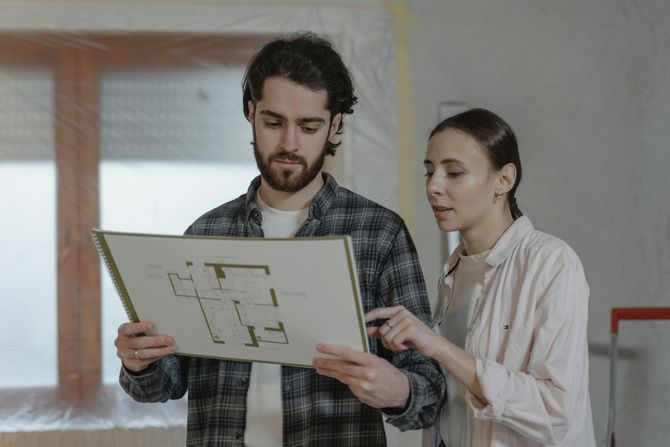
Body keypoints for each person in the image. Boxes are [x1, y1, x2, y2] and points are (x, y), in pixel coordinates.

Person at [114, 32, 445, 446]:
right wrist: (139, 362)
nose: (289, 144)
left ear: (335, 125)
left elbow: (430, 393)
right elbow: (163, 386)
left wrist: (397, 388)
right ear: (251, 113)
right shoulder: (206, 233)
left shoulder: (380, 233)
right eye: (273, 123)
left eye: (309, 127)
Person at [366, 108, 596, 446]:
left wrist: (441, 349)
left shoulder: (551, 262)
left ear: (504, 179)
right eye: (429, 172)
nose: (433, 187)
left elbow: (555, 410)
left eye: (454, 173)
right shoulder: (455, 268)